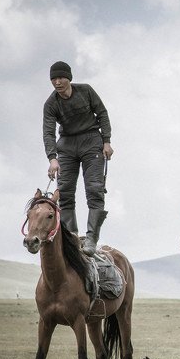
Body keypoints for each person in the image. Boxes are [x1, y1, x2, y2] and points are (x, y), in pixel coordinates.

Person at [43, 60, 112, 255]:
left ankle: (91, 238)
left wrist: (106, 141)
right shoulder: (50, 104)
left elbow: (103, 114)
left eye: (61, 78)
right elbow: (48, 132)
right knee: (64, 193)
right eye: (53, 79)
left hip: (92, 141)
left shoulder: (86, 91)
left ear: (69, 78)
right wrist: (52, 158)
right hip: (66, 145)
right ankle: (72, 238)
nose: (57, 82)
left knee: (95, 189)